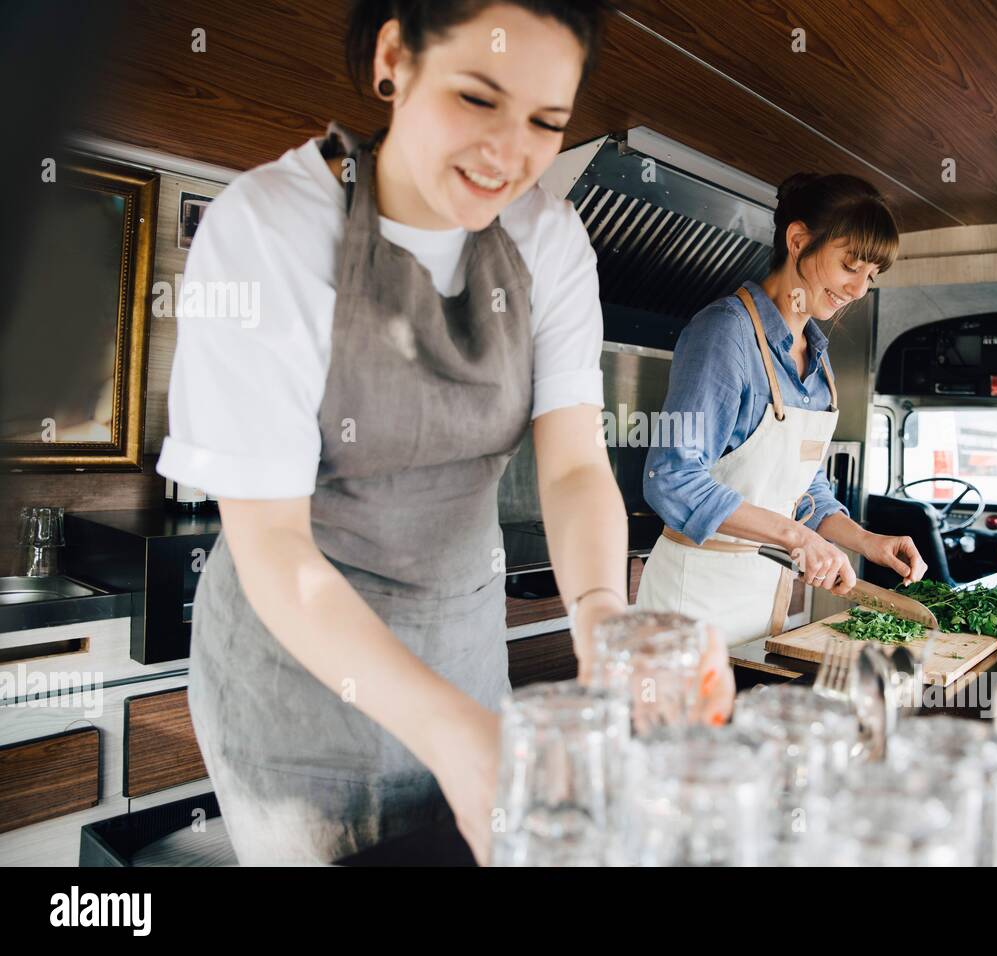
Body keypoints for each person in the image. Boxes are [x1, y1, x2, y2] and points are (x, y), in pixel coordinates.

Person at [157, 0, 730, 866]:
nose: (510, 154)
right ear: (396, 57)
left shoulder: (550, 242)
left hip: (462, 646)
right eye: (477, 98)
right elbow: (272, 544)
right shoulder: (269, 229)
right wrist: (460, 740)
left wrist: (605, 620)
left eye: (547, 122)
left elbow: (574, 465)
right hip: (299, 681)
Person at [636, 172, 928, 645]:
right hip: (691, 605)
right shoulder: (725, 333)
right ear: (798, 240)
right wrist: (796, 539)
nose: (857, 290)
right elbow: (670, 479)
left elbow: (803, 490)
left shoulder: (817, 357)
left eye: (870, 277)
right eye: (850, 266)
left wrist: (865, 541)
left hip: (760, 600)